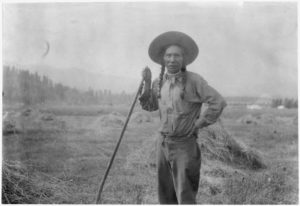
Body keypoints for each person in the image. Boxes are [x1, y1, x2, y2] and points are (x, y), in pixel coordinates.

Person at [139, 31, 227, 204]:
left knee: (185, 194)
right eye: (168, 55)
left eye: (176, 56)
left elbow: (218, 102)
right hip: (162, 144)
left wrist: (199, 123)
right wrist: (147, 83)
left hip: (185, 146)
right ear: (163, 59)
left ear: (184, 59)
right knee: (165, 194)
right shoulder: (159, 82)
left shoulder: (194, 81)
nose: (172, 60)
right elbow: (150, 106)